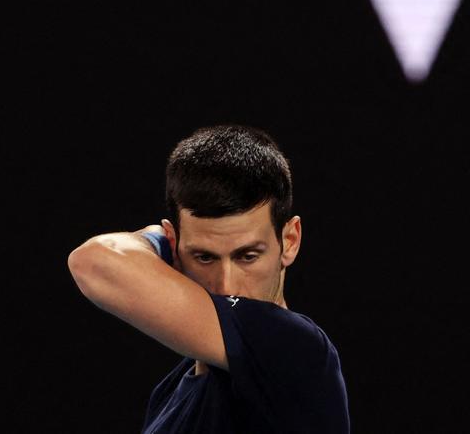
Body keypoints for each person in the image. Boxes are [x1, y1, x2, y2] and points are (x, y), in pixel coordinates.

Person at [67, 124, 351, 433]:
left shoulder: (295, 349)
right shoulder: (170, 392)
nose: (226, 285)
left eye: (248, 256)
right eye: (205, 257)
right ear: (177, 246)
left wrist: (158, 241)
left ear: (290, 241)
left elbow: (93, 262)